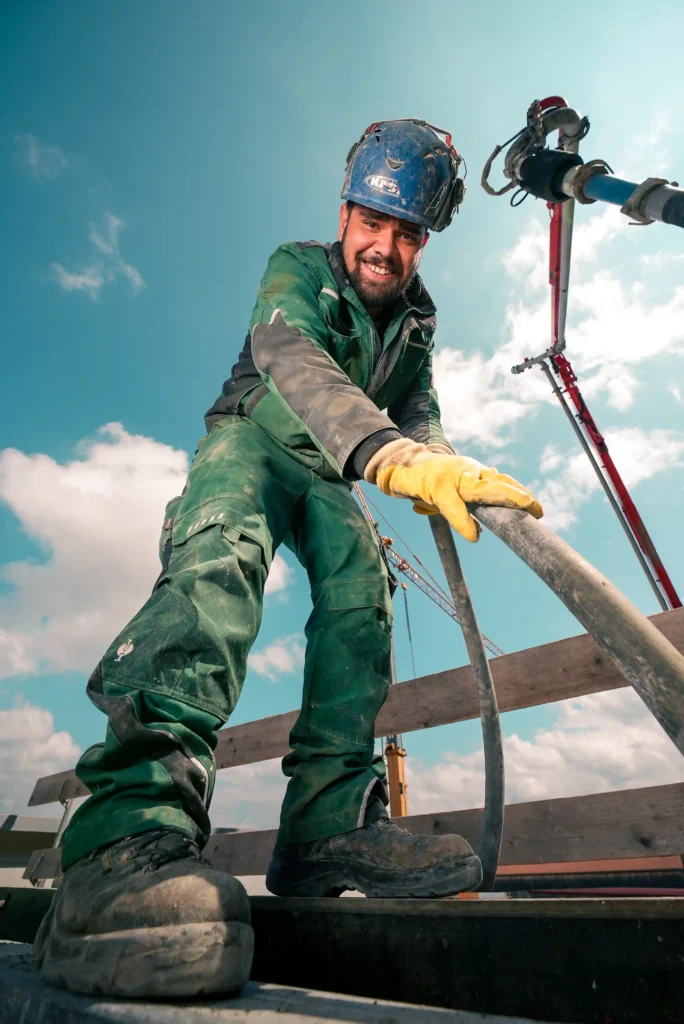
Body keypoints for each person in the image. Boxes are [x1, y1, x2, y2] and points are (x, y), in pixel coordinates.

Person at [35, 119, 543, 999]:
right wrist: (383, 451)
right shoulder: (296, 268)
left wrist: (439, 460)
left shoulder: (416, 322)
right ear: (346, 213)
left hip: (331, 472)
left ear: (424, 240)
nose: (385, 248)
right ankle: (123, 839)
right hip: (256, 442)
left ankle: (323, 830)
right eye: (372, 223)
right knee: (218, 563)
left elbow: (418, 410)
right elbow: (287, 354)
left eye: (407, 233)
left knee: (362, 594)